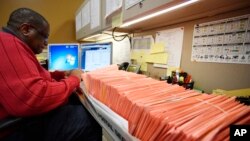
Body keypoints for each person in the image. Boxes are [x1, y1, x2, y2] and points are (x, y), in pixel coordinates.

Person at [0, 8, 102, 141]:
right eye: (44, 36)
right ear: (25, 30)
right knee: (93, 121)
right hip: (15, 129)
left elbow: (31, 76)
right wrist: (74, 79)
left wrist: (60, 74)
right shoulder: (7, 43)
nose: (46, 42)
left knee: (75, 105)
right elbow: (35, 97)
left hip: (20, 120)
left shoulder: (11, 42)